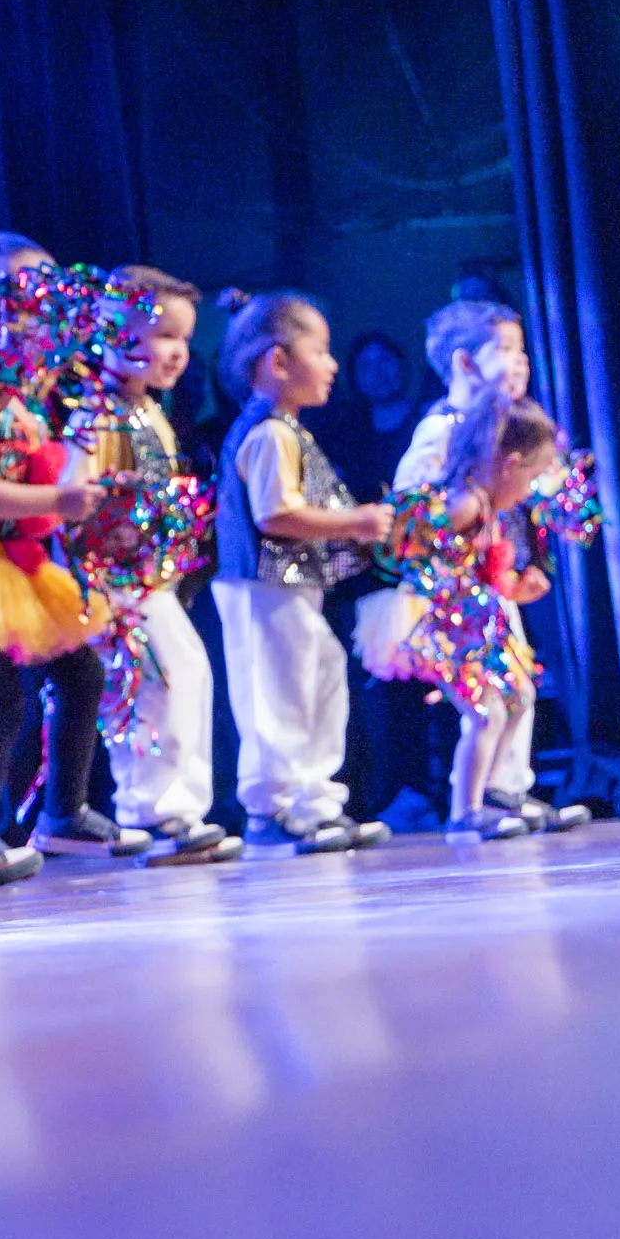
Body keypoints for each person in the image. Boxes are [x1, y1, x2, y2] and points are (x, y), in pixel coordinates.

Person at [0, 232, 115, 881]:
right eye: (26, 297)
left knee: (79, 675)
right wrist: (54, 497)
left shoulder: (27, 387)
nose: (41, 313)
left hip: (15, 558)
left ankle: (61, 811)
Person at [389, 299, 588, 833]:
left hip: (493, 585)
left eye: (522, 350)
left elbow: (527, 504)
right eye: (504, 350)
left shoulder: (509, 428)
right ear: (465, 363)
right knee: (490, 701)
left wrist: (528, 564)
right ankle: (478, 800)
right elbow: (415, 513)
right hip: (458, 594)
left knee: (518, 687)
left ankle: (506, 790)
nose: (520, 362)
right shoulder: (444, 429)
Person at [210, 294, 395, 858]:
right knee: (279, 692)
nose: (333, 364)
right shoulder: (269, 433)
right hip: (263, 584)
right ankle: (274, 808)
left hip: (290, 585)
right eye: (320, 350)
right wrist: (356, 521)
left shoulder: (287, 429)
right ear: (278, 362)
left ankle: (315, 802)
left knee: (319, 679)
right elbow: (276, 513)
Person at [73, 268, 238, 864]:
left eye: (184, 339)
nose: (177, 353)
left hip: (152, 579)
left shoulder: (151, 414)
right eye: (163, 334)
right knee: (150, 685)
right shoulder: (95, 411)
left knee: (188, 671)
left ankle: (181, 807)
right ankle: (150, 809)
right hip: (113, 582)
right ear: (116, 329)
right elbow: (78, 493)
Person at [356, 394, 565, 840]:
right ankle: (463, 812)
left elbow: (477, 571)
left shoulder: (486, 504)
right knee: (486, 711)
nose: (529, 493)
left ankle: (492, 795)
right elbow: (422, 553)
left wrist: (508, 586)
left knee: (520, 694)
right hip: (449, 630)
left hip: (475, 626)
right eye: (529, 479)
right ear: (509, 464)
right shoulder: (465, 503)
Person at [314, 329, 425, 508]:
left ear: (401, 364)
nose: (377, 373)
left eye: (385, 360)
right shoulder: (344, 432)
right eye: (365, 365)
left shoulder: (427, 421)